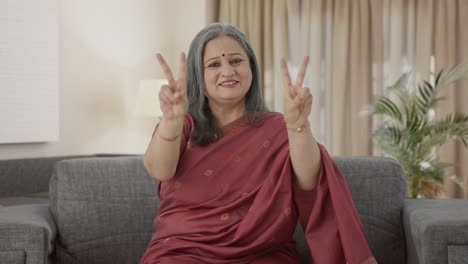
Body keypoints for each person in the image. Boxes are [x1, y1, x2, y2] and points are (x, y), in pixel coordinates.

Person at [140, 23, 376, 264]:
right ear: (198, 77)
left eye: (236, 61)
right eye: (214, 65)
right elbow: (159, 169)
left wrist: (298, 125)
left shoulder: (277, 127)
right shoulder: (184, 125)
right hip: (183, 252)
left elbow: (309, 181)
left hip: (262, 253)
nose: (228, 71)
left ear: (251, 67)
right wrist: (171, 121)